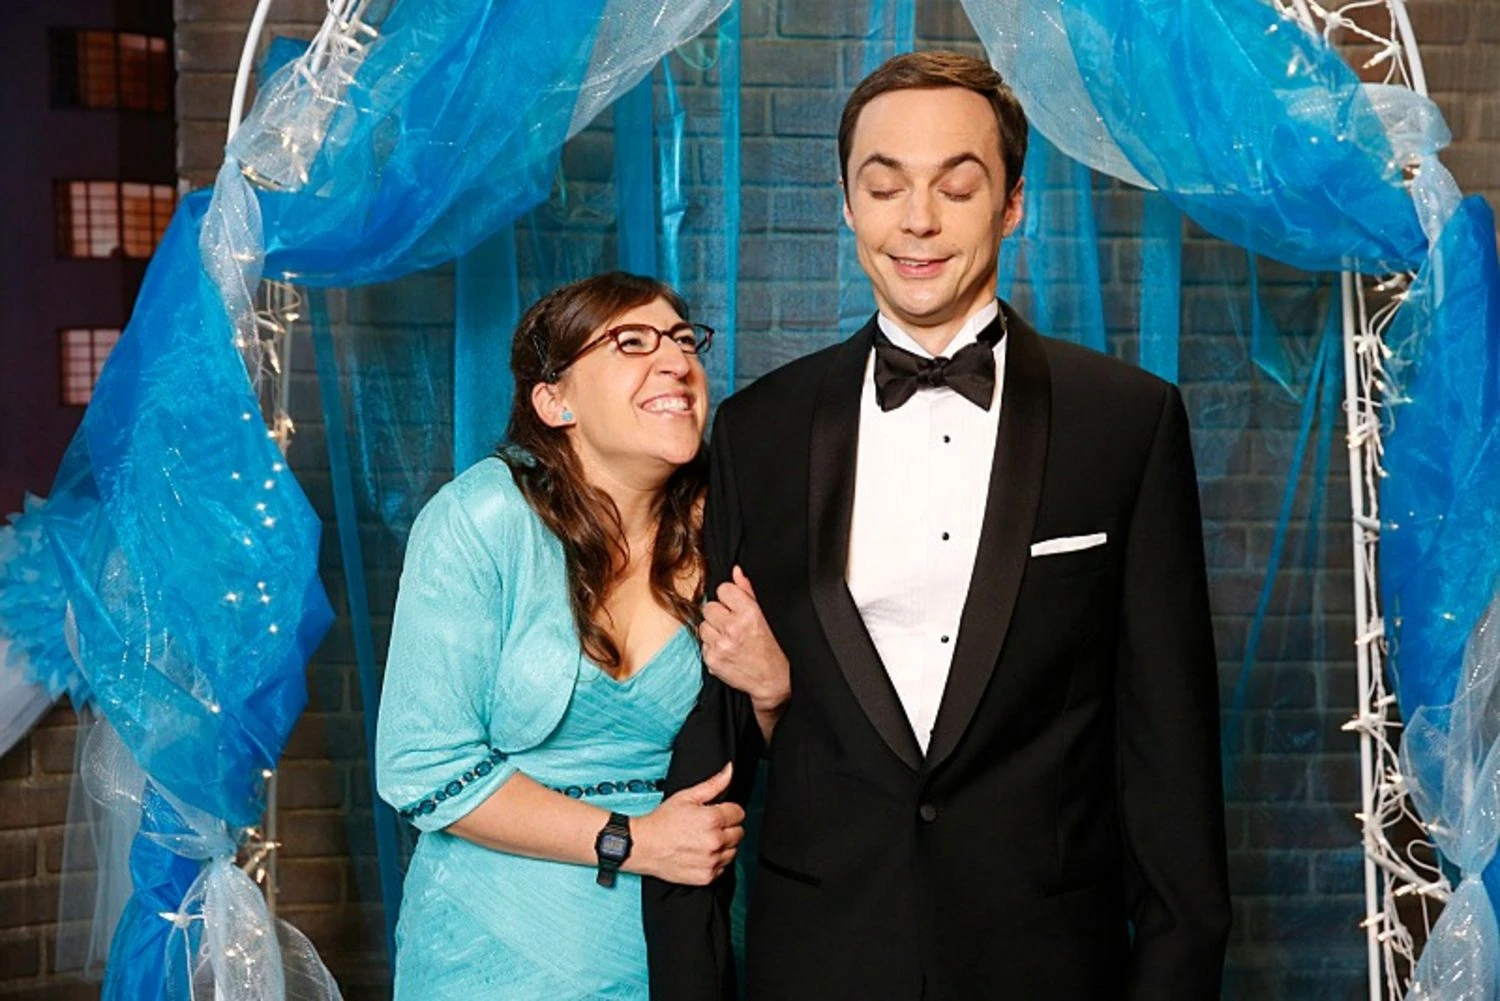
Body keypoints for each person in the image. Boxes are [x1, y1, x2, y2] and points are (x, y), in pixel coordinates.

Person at [643, 51, 1232, 1000]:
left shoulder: (1127, 422)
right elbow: (715, 741)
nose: (917, 220)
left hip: (1046, 965)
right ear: (846, 205)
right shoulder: (758, 431)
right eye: (885, 188)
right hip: (820, 960)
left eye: (956, 188)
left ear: (1012, 204)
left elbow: (1171, 759)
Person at [375, 272, 749, 999]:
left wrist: (772, 687)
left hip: (680, 938)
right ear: (555, 401)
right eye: (631, 342)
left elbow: (766, 745)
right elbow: (422, 767)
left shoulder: (729, 525)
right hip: (495, 948)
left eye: (682, 340)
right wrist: (633, 840)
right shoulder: (480, 520)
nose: (675, 361)